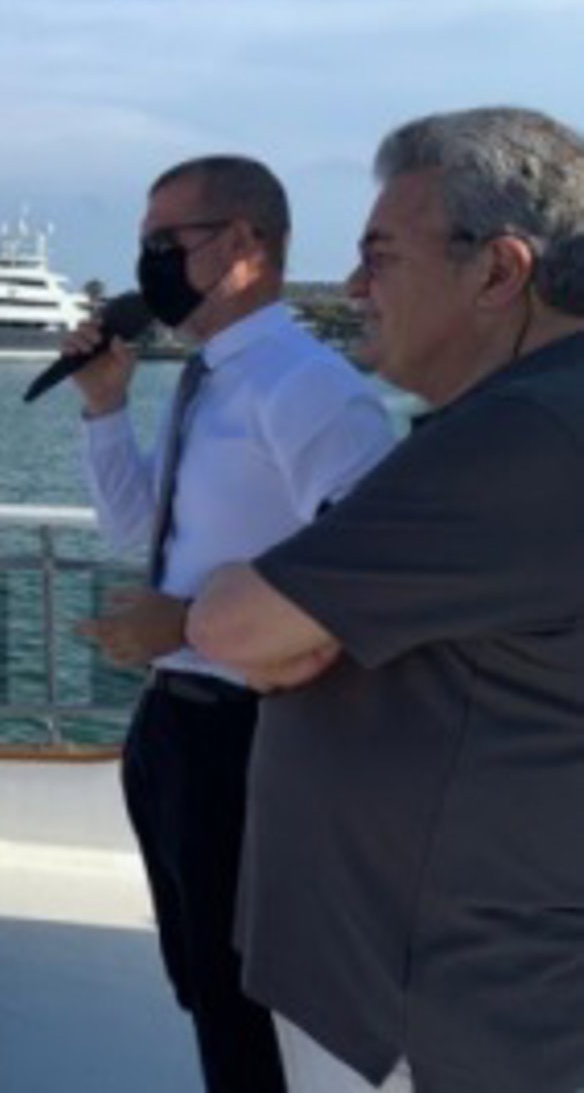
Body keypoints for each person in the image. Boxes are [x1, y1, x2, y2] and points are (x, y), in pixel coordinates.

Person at [189, 108, 584, 1093]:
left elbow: (231, 624)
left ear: (499, 271)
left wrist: (251, 603)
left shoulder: (521, 437)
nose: (355, 289)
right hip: (446, 974)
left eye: (380, 258)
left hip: (434, 1002)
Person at [65, 156, 393, 1093]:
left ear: (246, 244)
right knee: (204, 981)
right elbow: (137, 528)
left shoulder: (308, 388)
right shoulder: (213, 379)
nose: (149, 264)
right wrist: (103, 407)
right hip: (176, 726)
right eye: (145, 244)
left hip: (257, 739)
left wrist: (188, 626)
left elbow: (366, 582)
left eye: (167, 242)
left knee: (246, 1002)